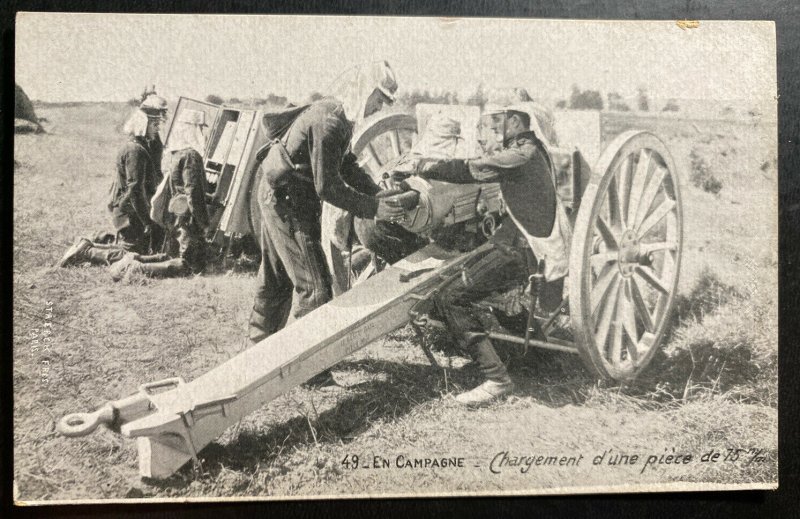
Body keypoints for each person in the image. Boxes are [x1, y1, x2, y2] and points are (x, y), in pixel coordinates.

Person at [248, 61, 406, 386]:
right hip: (288, 201)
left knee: (276, 280)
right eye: (379, 98)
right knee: (316, 287)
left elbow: (345, 164)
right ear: (364, 89)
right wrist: (375, 208)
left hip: (277, 193)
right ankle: (311, 373)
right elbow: (327, 186)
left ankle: (256, 358)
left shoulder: (337, 115)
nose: (380, 107)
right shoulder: (330, 121)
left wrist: (378, 193)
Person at [409, 99, 571, 406]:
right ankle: (540, 358)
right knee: (491, 291)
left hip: (523, 249)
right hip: (524, 243)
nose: (503, 123)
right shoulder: (531, 151)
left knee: (450, 297)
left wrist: (425, 165)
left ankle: (496, 379)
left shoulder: (522, 155)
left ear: (523, 123)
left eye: (509, 119)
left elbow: (473, 169)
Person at [58, 104, 163, 267]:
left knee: (139, 250)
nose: (158, 129)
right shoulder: (135, 150)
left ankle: (93, 241)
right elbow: (135, 190)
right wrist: (147, 221)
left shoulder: (137, 146)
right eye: (155, 125)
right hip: (129, 212)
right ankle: (87, 251)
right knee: (133, 256)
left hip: (128, 210)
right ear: (144, 125)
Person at [160, 108, 211, 272]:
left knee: (181, 243)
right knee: (188, 258)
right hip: (189, 213)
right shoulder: (191, 155)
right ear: (192, 129)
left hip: (179, 209)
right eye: (200, 128)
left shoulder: (177, 153)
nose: (202, 133)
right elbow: (193, 191)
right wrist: (203, 221)